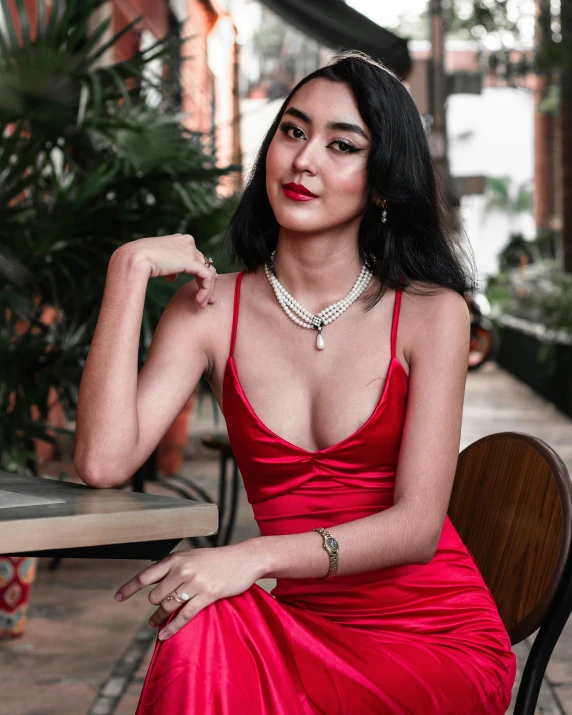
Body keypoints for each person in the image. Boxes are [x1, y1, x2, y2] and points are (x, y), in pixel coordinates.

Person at [74, 51, 517, 714]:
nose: (305, 159)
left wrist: (248, 557)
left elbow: (418, 526)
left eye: (342, 145)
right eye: (293, 130)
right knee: (195, 631)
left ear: (382, 183)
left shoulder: (430, 312)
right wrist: (127, 269)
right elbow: (104, 461)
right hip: (296, 625)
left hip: (427, 636)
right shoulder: (209, 310)